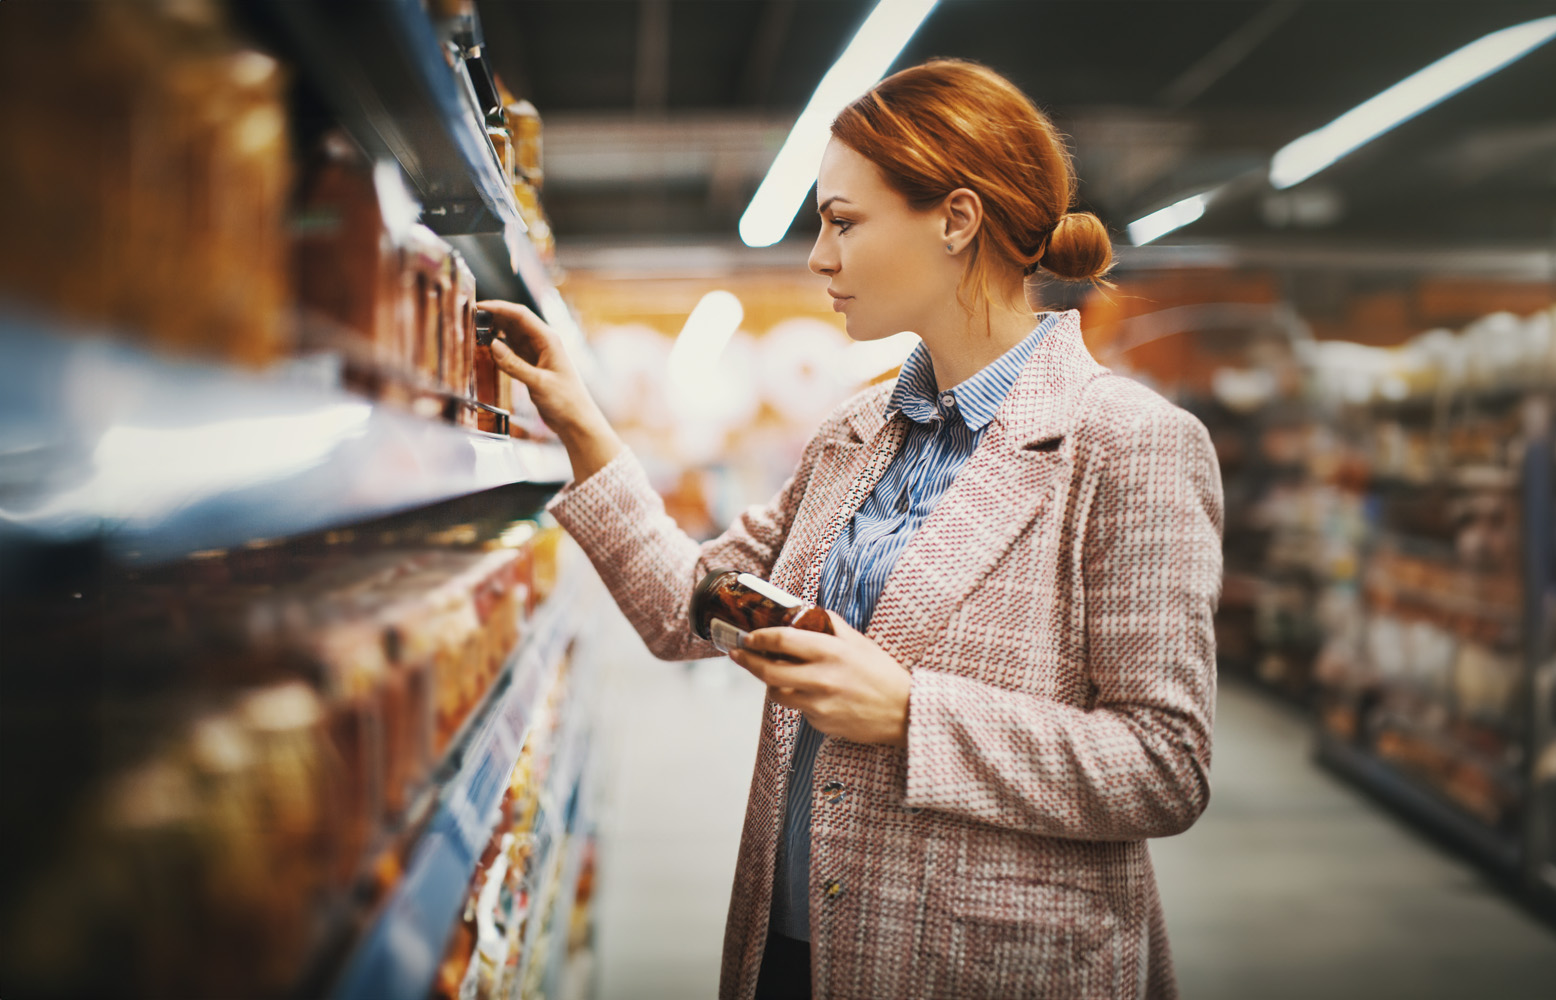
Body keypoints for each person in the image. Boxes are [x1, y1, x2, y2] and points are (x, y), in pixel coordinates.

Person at [481, 58, 1222, 1000]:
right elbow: (691, 607)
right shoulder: (854, 435)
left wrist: (915, 716)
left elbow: (1165, 767)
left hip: (983, 965)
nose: (818, 258)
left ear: (956, 220)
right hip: (794, 947)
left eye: (842, 222)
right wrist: (582, 425)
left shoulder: (1130, 445)